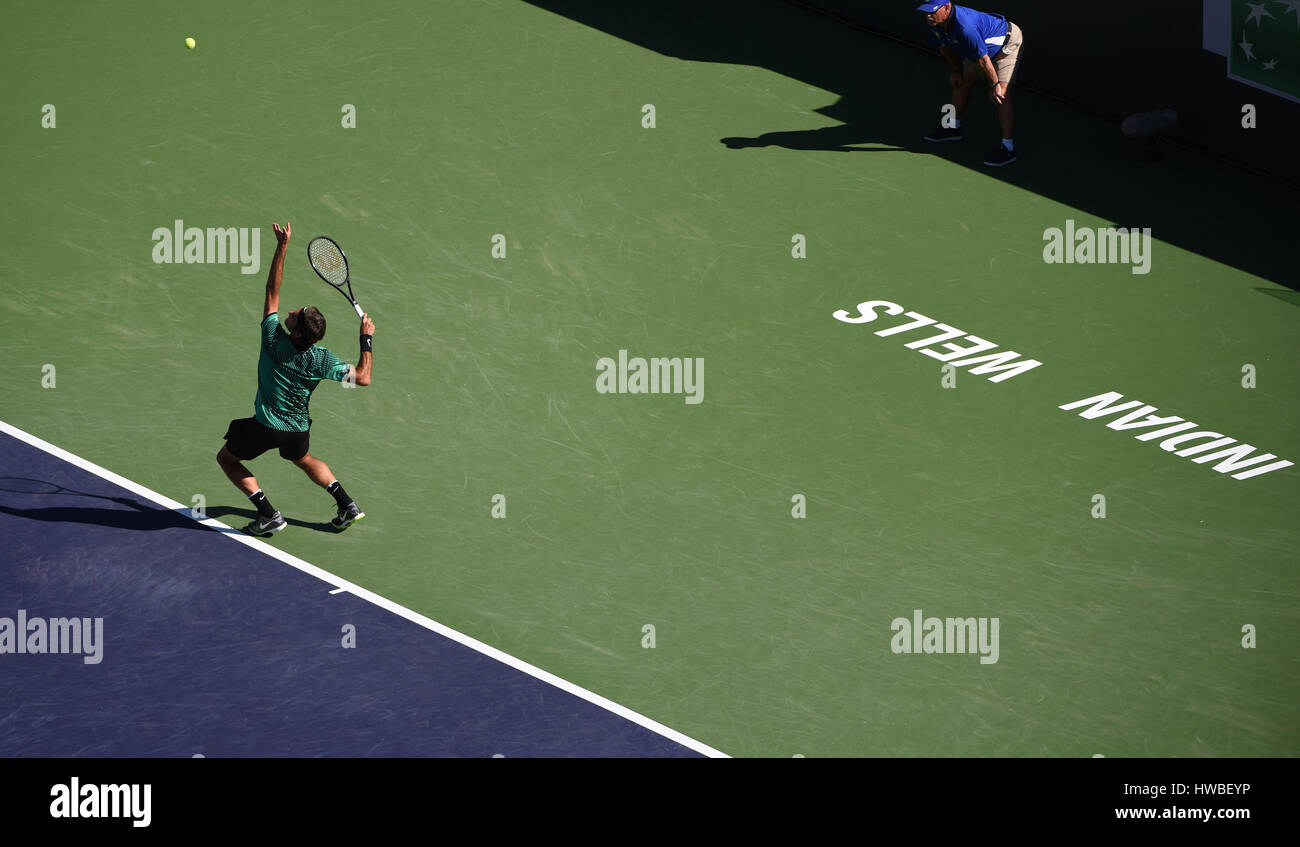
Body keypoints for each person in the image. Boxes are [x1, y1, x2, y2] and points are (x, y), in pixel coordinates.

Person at [216, 221, 375, 536]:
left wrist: (282, 245)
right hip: (297, 429)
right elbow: (363, 378)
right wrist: (365, 338)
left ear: (298, 331)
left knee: (227, 459)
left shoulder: (272, 338)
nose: (289, 310)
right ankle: (347, 505)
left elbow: (271, 290)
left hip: (267, 426)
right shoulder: (321, 359)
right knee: (304, 459)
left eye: (295, 314)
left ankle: (268, 514)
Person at [917, 2, 1024, 166]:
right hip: (981, 49)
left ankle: (1009, 149)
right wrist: (957, 70)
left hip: (1006, 45)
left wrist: (995, 84)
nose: (928, 16)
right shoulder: (935, 23)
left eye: (932, 12)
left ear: (947, 7)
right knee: (960, 82)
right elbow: (944, 48)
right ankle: (952, 127)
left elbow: (983, 60)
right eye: (925, 12)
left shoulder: (965, 27)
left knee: (999, 95)